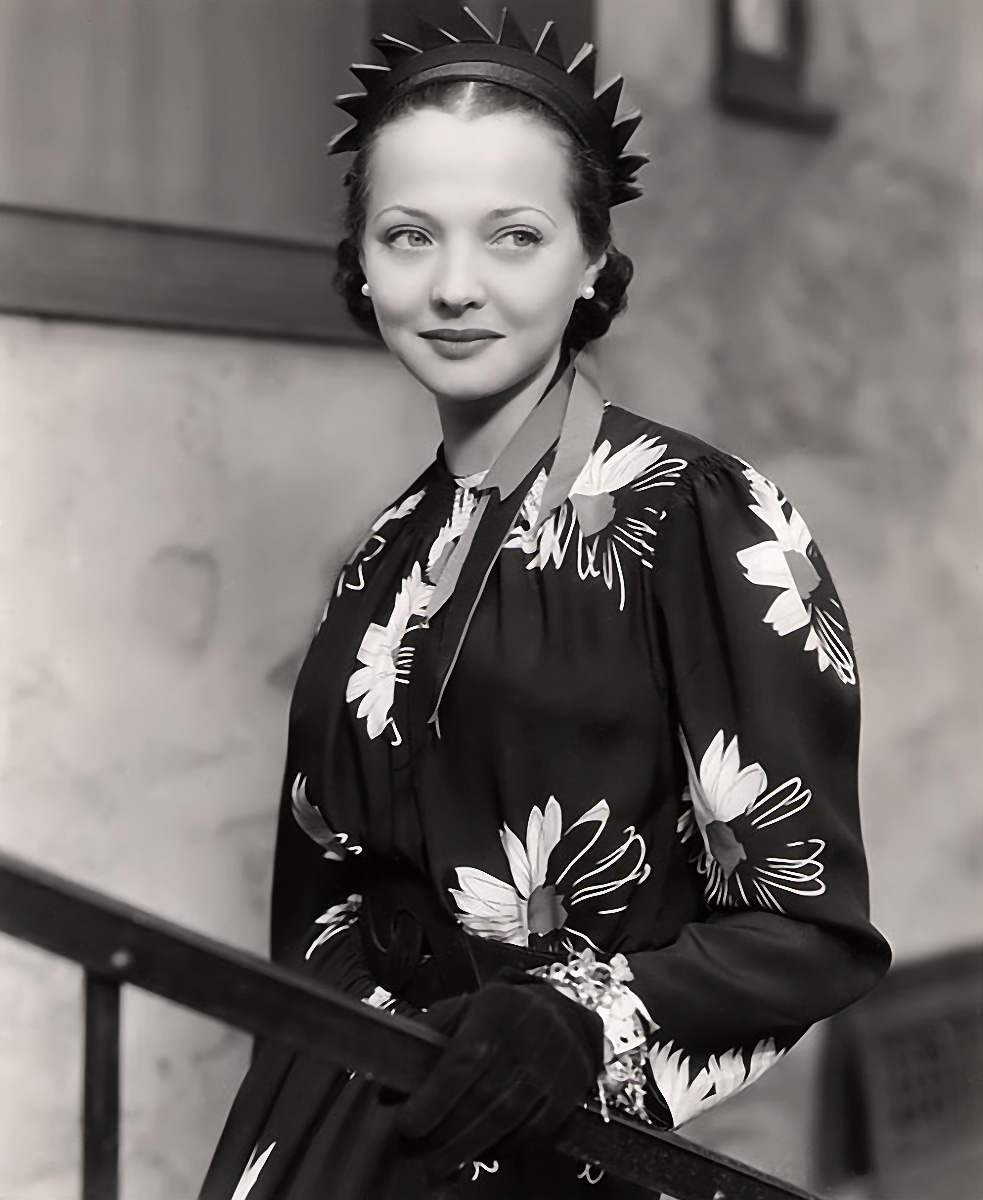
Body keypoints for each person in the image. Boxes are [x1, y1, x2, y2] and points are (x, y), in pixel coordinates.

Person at [199, 7, 891, 1198]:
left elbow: (807, 929)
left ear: (590, 264)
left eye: (513, 237)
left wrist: (581, 1020)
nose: (453, 285)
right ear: (359, 263)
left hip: (548, 1147)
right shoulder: (383, 552)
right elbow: (319, 891)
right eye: (408, 236)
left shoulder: (696, 512)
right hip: (338, 1125)